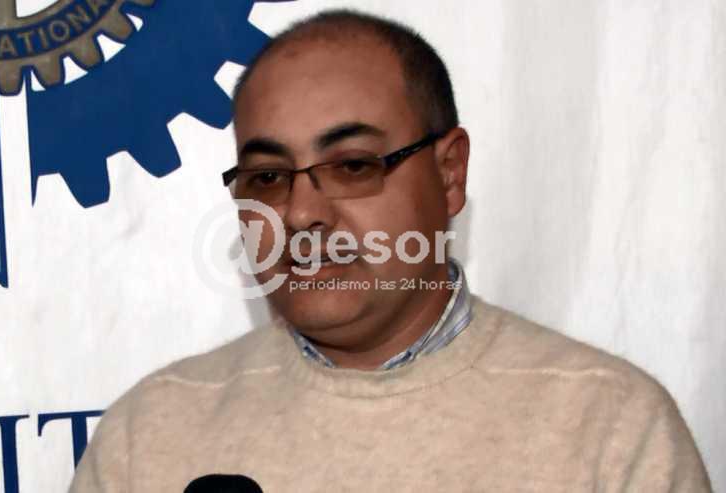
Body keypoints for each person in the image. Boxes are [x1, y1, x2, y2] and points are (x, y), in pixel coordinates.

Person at [69, 9, 712, 492]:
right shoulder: (150, 435)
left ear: (450, 173)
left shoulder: (610, 429)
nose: (300, 213)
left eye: (353, 165)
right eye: (266, 176)